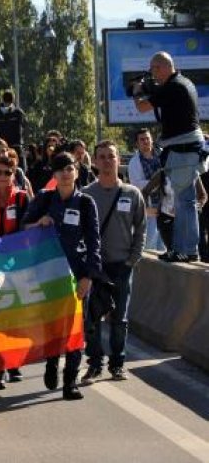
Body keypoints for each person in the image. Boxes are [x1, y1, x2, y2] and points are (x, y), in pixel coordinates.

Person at [23, 152, 101, 401]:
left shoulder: (86, 203)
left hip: (76, 275)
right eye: (61, 170)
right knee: (52, 326)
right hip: (48, 276)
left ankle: (70, 382)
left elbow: (94, 242)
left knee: (76, 330)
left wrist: (89, 276)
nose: (66, 173)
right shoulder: (44, 199)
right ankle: (51, 362)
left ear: (76, 172)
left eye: (70, 168)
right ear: (54, 175)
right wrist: (39, 223)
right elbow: (22, 229)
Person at [81, 141, 146, 384]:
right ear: (95, 162)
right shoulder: (87, 194)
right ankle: (95, 364)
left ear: (119, 160)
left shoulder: (132, 193)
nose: (107, 161)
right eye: (102, 157)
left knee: (120, 318)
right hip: (96, 268)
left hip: (122, 265)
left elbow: (140, 228)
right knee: (93, 318)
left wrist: (133, 259)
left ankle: (117, 364)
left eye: (111, 156)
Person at [134, 51, 204, 262]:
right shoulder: (184, 82)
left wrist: (137, 91)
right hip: (185, 148)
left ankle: (186, 250)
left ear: (162, 67)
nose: (153, 76)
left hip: (183, 149)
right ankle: (185, 249)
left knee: (185, 201)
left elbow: (142, 107)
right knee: (186, 200)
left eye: (154, 70)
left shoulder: (174, 86)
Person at [0, 154, 29, 389]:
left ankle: (13, 363)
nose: (3, 177)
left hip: (14, 266)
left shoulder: (22, 199)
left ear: (14, 174)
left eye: (8, 173)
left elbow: (26, 232)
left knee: (13, 318)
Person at [127, 128, 165, 253]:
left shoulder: (163, 155)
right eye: (142, 139)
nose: (145, 141)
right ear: (137, 143)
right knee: (149, 244)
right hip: (148, 208)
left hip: (166, 205)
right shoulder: (134, 162)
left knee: (165, 244)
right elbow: (137, 185)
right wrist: (158, 181)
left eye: (147, 138)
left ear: (152, 140)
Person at [0, 90, 26, 167]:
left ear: (2, 99)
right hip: (15, 148)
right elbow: (25, 128)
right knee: (20, 171)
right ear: (13, 100)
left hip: (0, 149)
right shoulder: (19, 113)